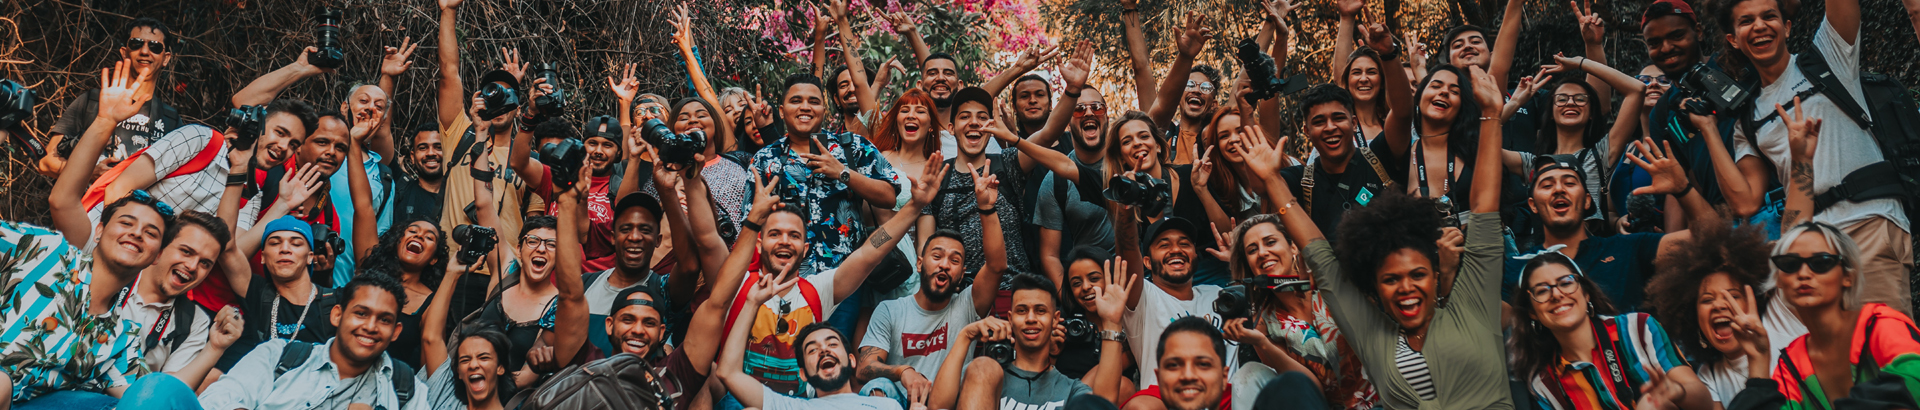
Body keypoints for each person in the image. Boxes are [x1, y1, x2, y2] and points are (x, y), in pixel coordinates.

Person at [1248, 62, 1511, 409]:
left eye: (1417, 274)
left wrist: (1491, 115)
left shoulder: (1473, 305)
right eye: (1390, 279)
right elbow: (1320, 256)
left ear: (1435, 273)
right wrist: (1271, 180)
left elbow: (1484, 206)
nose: (1405, 287)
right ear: (1375, 286)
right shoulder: (1373, 335)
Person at [1706, 0, 1910, 313]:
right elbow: (1744, 202)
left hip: (1869, 224)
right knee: (1831, 358)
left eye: (1769, 16)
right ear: (1733, 38)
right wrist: (1707, 128)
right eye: (1746, 21)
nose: (1759, 26)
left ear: (1787, 27)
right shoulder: (1748, 118)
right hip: (1811, 247)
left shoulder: (1828, 58)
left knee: (1887, 348)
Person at [713, 152, 941, 407]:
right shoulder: (740, 282)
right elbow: (706, 242)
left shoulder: (816, 290)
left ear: (806, 248)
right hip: (741, 400)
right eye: (775, 234)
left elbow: (869, 254)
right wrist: (753, 219)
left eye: (794, 235)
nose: (785, 241)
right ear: (759, 242)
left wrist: (915, 205)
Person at [124, 274, 429, 410]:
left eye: (384, 320)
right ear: (337, 315)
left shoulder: (406, 388)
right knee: (158, 390)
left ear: (396, 331)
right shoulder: (282, 354)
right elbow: (224, 398)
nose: (371, 327)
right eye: (361, 313)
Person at [1723, 222, 1920, 410]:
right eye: (1790, 264)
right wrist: (1758, 359)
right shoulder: (1790, 364)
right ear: (1779, 281)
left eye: (1821, 262)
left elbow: (1913, 384)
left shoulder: (1881, 325)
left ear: (1847, 277)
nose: (1804, 273)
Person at [857, 166, 1009, 407]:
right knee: (879, 386)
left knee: (981, 367)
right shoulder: (890, 311)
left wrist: (987, 208)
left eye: (955, 260)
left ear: (961, 276)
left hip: (952, 403)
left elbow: (997, 266)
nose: (945, 265)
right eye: (937, 256)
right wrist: (903, 371)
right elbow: (864, 368)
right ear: (920, 263)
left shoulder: (968, 305)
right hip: (902, 403)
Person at [740, 73, 905, 279]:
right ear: (781, 112)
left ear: (824, 110)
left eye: (814, 101)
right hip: (784, 280)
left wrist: (842, 173)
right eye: (796, 100)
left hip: (846, 279)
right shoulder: (765, 158)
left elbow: (889, 196)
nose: (805, 107)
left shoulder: (852, 146)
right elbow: (749, 222)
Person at [920, 84, 1082, 289]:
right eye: (964, 117)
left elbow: (1049, 133)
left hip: (1012, 292)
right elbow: (925, 248)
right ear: (951, 128)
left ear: (991, 124)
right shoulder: (937, 174)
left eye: (981, 117)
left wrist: (1073, 89)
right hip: (957, 297)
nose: (974, 122)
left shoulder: (1008, 164)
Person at [1508, 249, 1715, 410]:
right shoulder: (1545, 383)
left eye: (1566, 282)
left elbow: (1705, 403)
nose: (1557, 294)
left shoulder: (1639, 328)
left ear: (1586, 294)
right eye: (1542, 291)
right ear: (1532, 313)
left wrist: (1675, 392)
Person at [1218, 215, 1377, 410]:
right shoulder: (1264, 323)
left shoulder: (1331, 280)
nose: (1262, 253)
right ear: (1249, 266)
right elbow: (1308, 389)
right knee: (1248, 372)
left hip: (1389, 397)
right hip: (1328, 406)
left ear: (1293, 247)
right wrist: (1263, 343)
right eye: (1252, 250)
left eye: (1270, 242)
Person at [1644, 223, 1806, 404]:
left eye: (1732, 295)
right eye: (1707, 300)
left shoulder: (1779, 315)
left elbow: (1796, 249)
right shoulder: (1709, 376)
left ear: (1754, 299)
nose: (1719, 305)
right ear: (1694, 318)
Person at [927, 274, 1127, 410]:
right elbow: (938, 407)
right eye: (1022, 311)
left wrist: (1112, 323)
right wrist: (965, 336)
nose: (1031, 318)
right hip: (986, 374)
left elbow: (1102, 404)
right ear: (1011, 318)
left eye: (1040, 310)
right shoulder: (985, 376)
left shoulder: (1070, 388)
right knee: (984, 364)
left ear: (1055, 319)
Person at [713, 267, 901, 410]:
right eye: (812, 349)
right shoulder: (790, 406)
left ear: (852, 360)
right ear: (803, 374)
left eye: (832, 343)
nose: (824, 350)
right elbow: (728, 373)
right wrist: (752, 303)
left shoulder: (885, 405)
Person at [36, 18, 181, 179]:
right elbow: (46, 162)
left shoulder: (171, 120)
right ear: (124, 52)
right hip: (86, 203)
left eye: (154, 46)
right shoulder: (91, 102)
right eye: (136, 44)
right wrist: (89, 172)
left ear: (166, 58)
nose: (145, 51)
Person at [124, 211, 245, 392]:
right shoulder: (117, 274)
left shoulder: (195, 320)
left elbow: (168, 392)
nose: (192, 266)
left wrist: (214, 348)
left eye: (205, 263)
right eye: (186, 252)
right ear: (162, 247)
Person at [1276, 80, 1410, 242]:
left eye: (1338, 118)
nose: (1330, 127)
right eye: (1319, 122)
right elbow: (1263, 183)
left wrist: (1389, 56)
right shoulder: (1302, 181)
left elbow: (1402, 113)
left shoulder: (1380, 158)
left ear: (1353, 123)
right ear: (1307, 132)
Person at [211, 216, 341, 372]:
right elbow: (227, 249)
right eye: (275, 243)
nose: (285, 249)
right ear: (263, 257)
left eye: (296, 243)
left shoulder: (336, 301)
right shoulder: (259, 293)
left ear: (310, 257)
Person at [1143, 12, 1219, 166]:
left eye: (1205, 87)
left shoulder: (1218, 139)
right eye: (1190, 85)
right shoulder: (1162, 134)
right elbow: (1141, 68)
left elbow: (1242, 82)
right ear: (1179, 96)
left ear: (1214, 105)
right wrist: (1185, 57)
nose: (1197, 90)